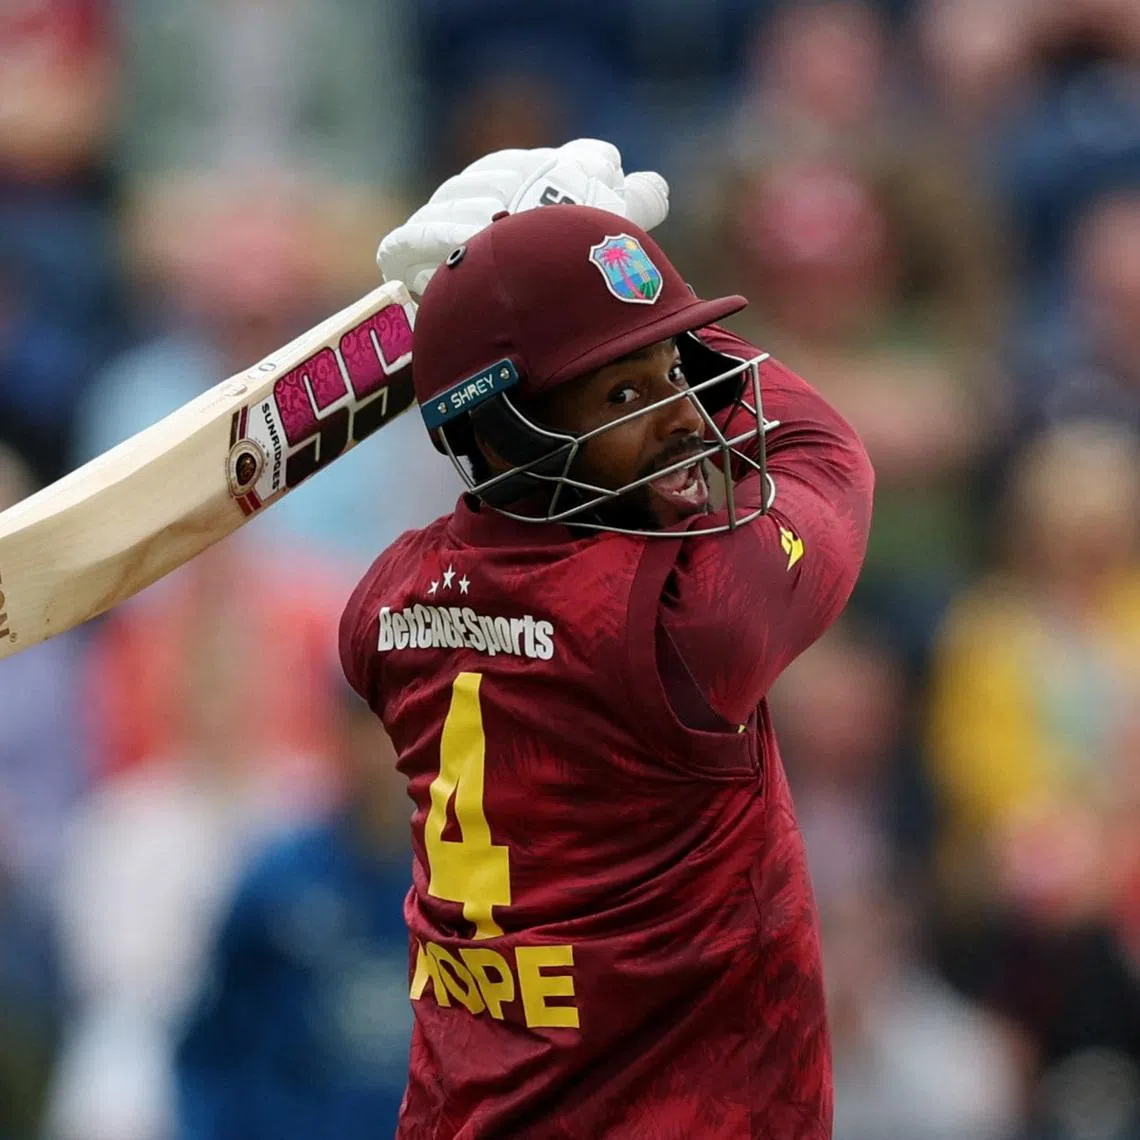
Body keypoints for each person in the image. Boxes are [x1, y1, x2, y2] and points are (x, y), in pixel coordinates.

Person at [339, 140, 874, 1138]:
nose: (686, 418)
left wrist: (547, 279)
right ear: (500, 432)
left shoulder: (384, 606)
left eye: (676, 372)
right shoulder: (689, 623)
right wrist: (611, 271)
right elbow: (826, 457)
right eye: (625, 397)